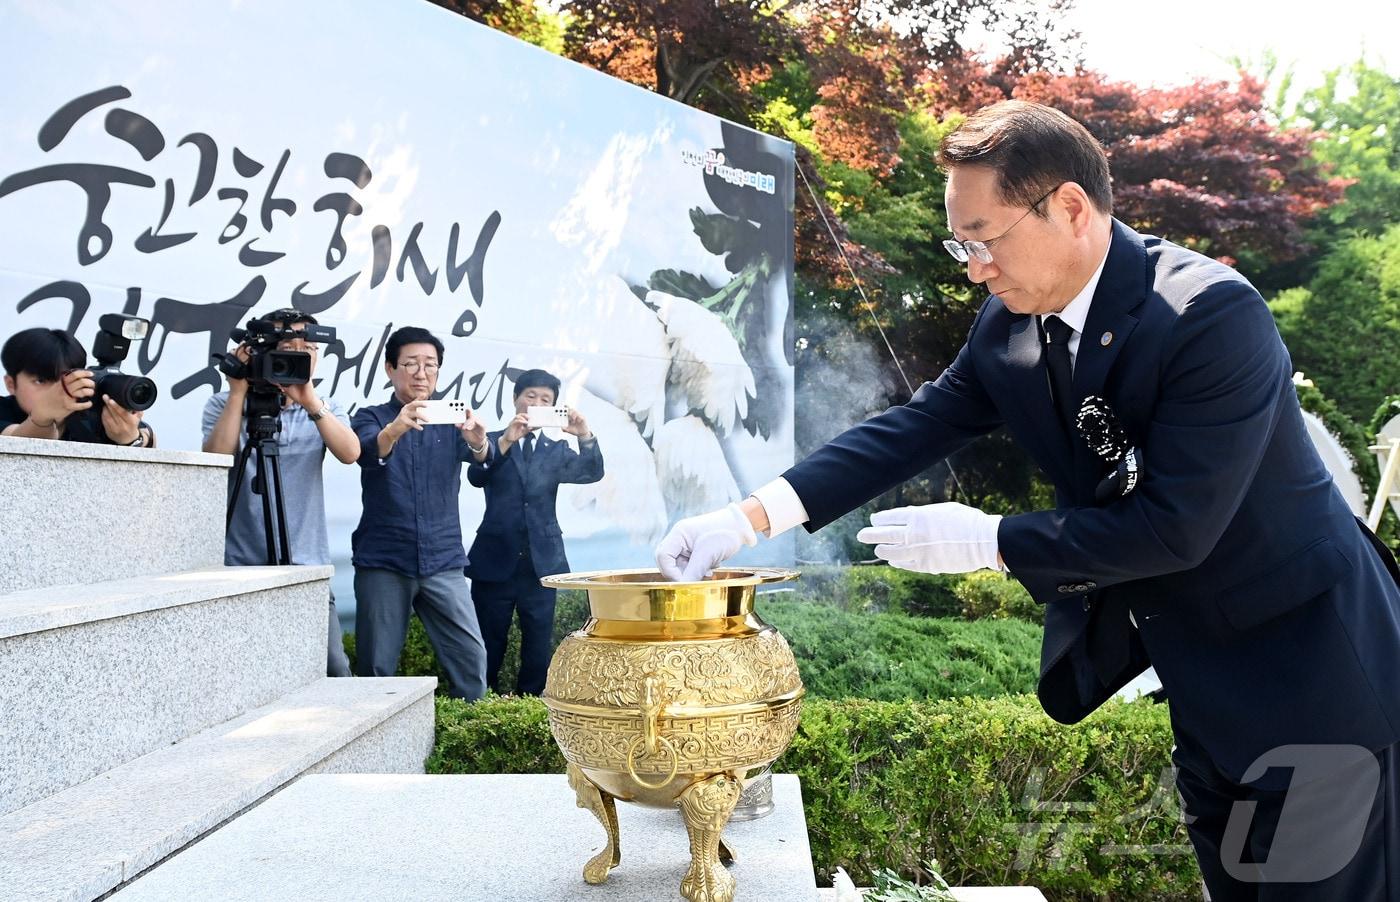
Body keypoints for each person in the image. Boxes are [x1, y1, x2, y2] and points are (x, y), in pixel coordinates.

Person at [656, 100, 1400, 899]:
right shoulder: (1009, 326)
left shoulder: (1208, 315)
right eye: (961, 242)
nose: (974, 266)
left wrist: (993, 540)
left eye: (985, 239)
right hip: (1205, 688)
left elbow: (1176, 527)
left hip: (1314, 678)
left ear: (1071, 208)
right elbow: (915, 427)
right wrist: (746, 517)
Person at [202, 308, 359, 678]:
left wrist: (309, 401)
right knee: (243, 671)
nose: (298, 354)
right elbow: (214, 461)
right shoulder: (222, 404)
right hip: (241, 563)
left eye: (307, 348)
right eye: (287, 347)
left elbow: (350, 453)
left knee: (333, 668)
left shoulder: (325, 407)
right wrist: (238, 391)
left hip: (307, 563)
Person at [350, 325, 489, 700]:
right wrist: (396, 429)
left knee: (471, 660)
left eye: (430, 364)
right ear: (390, 369)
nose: (421, 372)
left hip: (443, 560)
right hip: (384, 559)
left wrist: (479, 443)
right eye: (410, 363)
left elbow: (484, 468)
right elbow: (365, 453)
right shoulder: (371, 416)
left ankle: (470, 741)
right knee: (376, 668)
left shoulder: (452, 418)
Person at [466, 368, 603, 695]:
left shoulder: (555, 450)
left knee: (538, 640)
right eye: (531, 396)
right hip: (494, 561)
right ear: (516, 399)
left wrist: (583, 433)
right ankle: (482, 700)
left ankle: (530, 702)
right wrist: (506, 440)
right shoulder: (494, 439)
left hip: (541, 563)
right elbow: (477, 476)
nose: (537, 403)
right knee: (488, 638)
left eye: (546, 399)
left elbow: (592, 472)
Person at [1, 327, 155, 447]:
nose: (57, 389)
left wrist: (131, 438)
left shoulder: (89, 407)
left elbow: (148, 437)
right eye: (41, 381)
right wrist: (42, 417)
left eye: (66, 379)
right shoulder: (3, 409)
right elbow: (15, 445)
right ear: (11, 384)